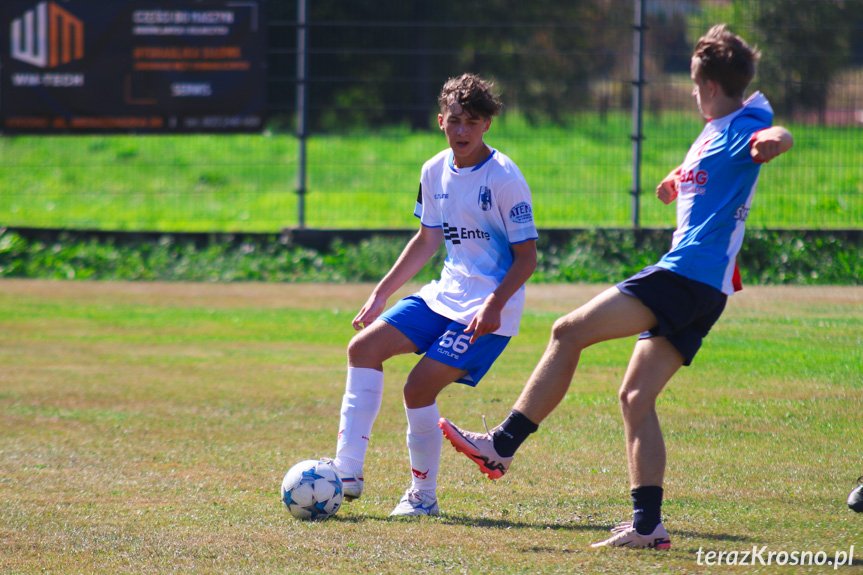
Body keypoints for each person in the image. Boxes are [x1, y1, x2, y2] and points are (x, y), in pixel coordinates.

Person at [439, 24, 793, 547]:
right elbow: (715, 169)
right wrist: (679, 179)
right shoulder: (715, 131)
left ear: (710, 87)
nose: (695, 97)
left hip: (685, 274)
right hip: (707, 291)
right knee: (634, 396)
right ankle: (648, 525)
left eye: (696, 88)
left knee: (567, 331)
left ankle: (503, 443)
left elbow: (776, 135)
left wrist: (772, 142)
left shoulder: (747, 120)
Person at [324, 73, 538, 517]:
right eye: (455, 121)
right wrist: (383, 292)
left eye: (473, 123)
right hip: (443, 295)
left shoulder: (504, 178)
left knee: (418, 387)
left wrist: (495, 304)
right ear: (441, 120)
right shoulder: (433, 169)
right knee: (362, 348)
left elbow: (526, 258)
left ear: (487, 127)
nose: (462, 132)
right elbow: (426, 239)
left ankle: (423, 496)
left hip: (486, 309)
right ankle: (347, 471)